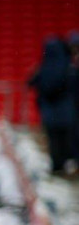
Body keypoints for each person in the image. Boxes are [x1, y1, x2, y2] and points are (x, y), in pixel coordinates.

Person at [29, 36, 77, 174]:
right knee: (65, 139)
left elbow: (31, 82)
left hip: (51, 111)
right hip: (65, 111)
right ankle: (64, 165)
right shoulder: (68, 66)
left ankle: (57, 166)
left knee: (55, 140)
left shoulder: (45, 66)